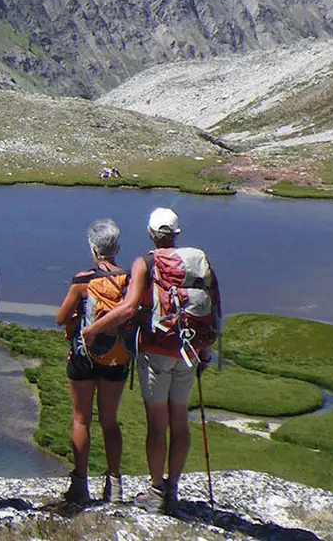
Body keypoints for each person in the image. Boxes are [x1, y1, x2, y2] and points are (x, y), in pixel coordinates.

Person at [92, 208, 222, 513]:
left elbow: (129, 308)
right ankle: (173, 488)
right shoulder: (199, 261)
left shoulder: (145, 262)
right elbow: (214, 306)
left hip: (156, 350)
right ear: (176, 235)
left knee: (156, 423)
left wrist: (93, 329)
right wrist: (205, 351)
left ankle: (156, 491)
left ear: (151, 234)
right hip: (189, 352)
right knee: (180, 420)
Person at [54, 218, 132, 504]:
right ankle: (114, 484)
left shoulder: (83, 280)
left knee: (81, 419)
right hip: (117, 358)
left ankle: (80, 484)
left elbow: (61, 318)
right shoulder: (130, 279)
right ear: (116, 248)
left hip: (84, 356)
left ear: (93, 249)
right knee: (110, 421)